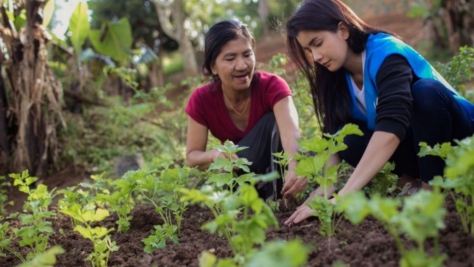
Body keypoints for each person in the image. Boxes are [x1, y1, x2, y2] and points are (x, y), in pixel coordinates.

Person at [282, 0, 474, 225]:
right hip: (419, 152)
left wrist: (343, 197)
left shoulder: (386, 53)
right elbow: (333, 136)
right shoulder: (335, 76)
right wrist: (327, 187)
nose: (316, 57)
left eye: (318, 43)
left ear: (342, 30)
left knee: (425, 93)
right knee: (348, 137)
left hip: (459, 141)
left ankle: (432, 195)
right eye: (309, 50)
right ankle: (411, 189)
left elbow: (392, 126)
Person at [185, 20, 303, 200]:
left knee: (272, 122)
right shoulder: (202, 99)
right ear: (213, 67)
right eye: (230, 59)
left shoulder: (272, 86)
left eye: (247, 55)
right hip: (235, 176)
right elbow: (192, 157)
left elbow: (291, 135)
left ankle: (277, 199)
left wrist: (295, 166)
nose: (242, 65)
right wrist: (214, 155)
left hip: (276, 177)